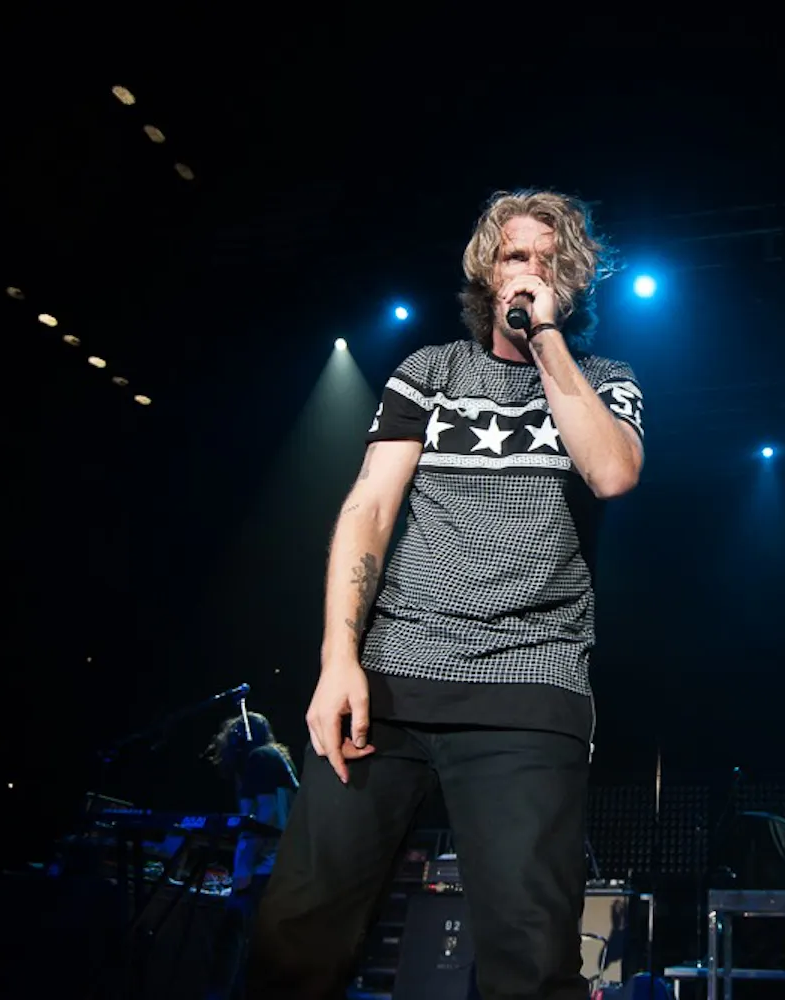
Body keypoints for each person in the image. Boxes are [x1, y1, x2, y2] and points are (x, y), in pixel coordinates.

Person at [247, 189, 645, 1000]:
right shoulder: (430, 371)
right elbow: (368, 509)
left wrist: (548, 342)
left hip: (529, 686)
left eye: (549, 261)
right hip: (393, 675)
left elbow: (611, 473)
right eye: (514, 255)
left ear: (573, 283)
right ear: (486, 273)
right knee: (298, 938)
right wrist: (338, 661)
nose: (528, 271)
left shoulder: (606, 381)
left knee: (531, 958)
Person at [204, 710, 298, 1000]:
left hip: (263, 869)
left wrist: (243, 872)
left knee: (232, 947)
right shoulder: (275, 757)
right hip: (280, 867)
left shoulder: (260, 759)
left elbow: (263, 819)